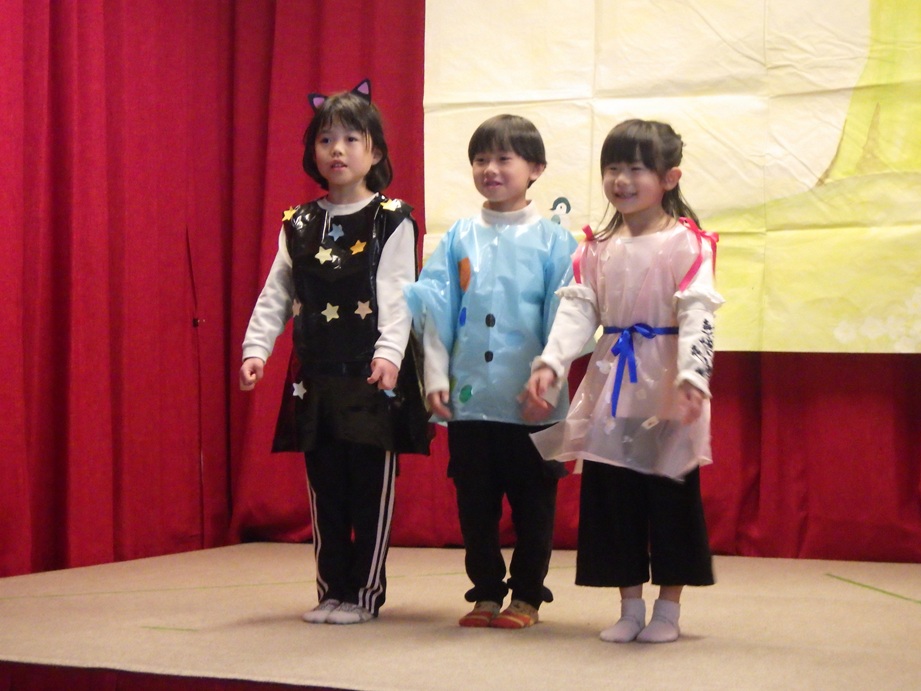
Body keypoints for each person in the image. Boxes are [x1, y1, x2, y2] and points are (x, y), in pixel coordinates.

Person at [525, 118, 724, 643]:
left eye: (636, 169)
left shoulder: (688, 244)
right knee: (614, 497)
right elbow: (578, 310)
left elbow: (699, 313)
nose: (622, 180)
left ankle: (668, 611)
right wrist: (551, 361)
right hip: (613, 386)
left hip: (666, 386)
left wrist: (693, 374)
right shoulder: (597, 247)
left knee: (671, 497)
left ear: (669, 177)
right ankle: (630, 607)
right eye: (612, 168)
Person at [239, 80, 429, 626]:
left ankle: (364, 594)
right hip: (316, 379)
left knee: (369, 489)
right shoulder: (297, 223)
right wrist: (257, 349)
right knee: (326, 490)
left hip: (372, 378)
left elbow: (399, 293)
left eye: (350, 139)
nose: (337, 150)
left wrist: (389, 354)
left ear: (376, 152)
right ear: (312, 152)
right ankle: (331, 590)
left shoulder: (392, 217)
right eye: (326, 140)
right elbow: (277, 292)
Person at [404, 114, 577, 629]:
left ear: (535, 169)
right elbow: (435, 312)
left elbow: (566, 319)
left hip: (533, 403)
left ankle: (527, 596)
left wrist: (549, 376)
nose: (490, 169)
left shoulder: (555, 242)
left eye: (504, 159)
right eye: (481, 159)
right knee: (474, 504)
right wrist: (436, 378)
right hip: (471, 403)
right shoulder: (459, 236)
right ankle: (484, 592)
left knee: (534, 505)